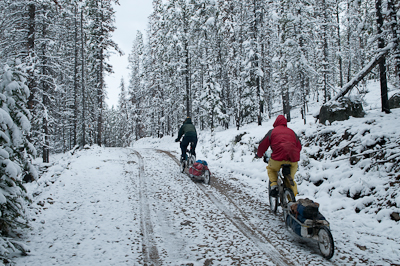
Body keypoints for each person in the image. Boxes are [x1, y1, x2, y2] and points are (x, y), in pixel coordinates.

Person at [256, 115, 302, 197]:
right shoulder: (292, 132)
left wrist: (259, 155)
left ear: (276, 123)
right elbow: (299, 146)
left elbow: (262, 145)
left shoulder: (272, 132)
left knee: (271, 169)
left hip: (278, 158)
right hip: (293, 159)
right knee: (290, 178)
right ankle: (292, 200)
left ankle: (274, 185)